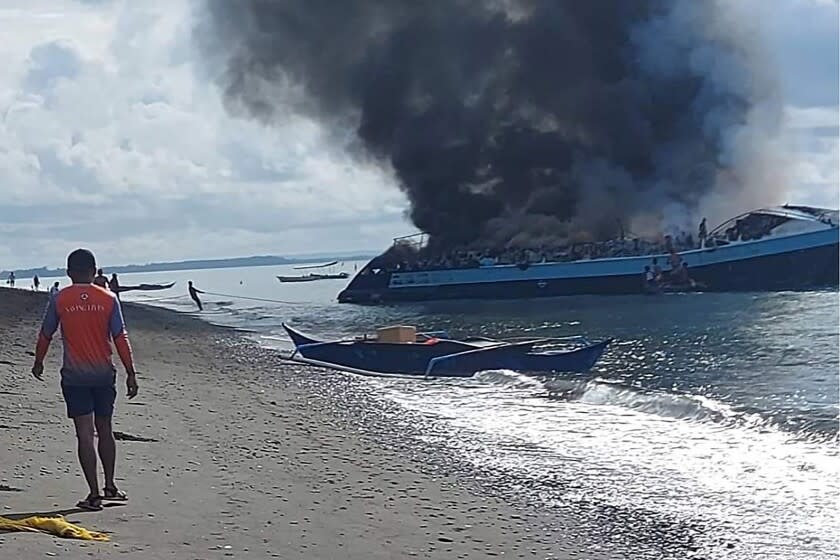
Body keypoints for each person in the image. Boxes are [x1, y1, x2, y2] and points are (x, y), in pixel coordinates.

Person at [31, 248, 138, 511]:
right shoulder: (109, 298)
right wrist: (131, 372)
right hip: (103, 375)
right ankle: (110, 485)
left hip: (75, 377)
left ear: (69, 273)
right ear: (94, 270)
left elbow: (46, 333)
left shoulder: (60, 299)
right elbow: (120, 337)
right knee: (105, 430)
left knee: (84, 434)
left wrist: (39, 361)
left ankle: (94, 494)